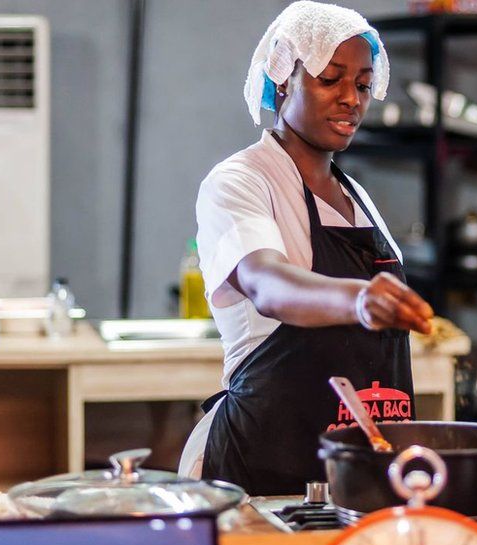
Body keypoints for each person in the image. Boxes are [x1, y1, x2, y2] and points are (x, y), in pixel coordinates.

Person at [178, 1, 434, 496]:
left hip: (357, 473)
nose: (351, 99)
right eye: (330, 78)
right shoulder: (242, 181)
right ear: (283, 79)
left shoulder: (357, 196)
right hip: (261, 471)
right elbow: (266, 282)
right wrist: (358, 300)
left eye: (361, 84)